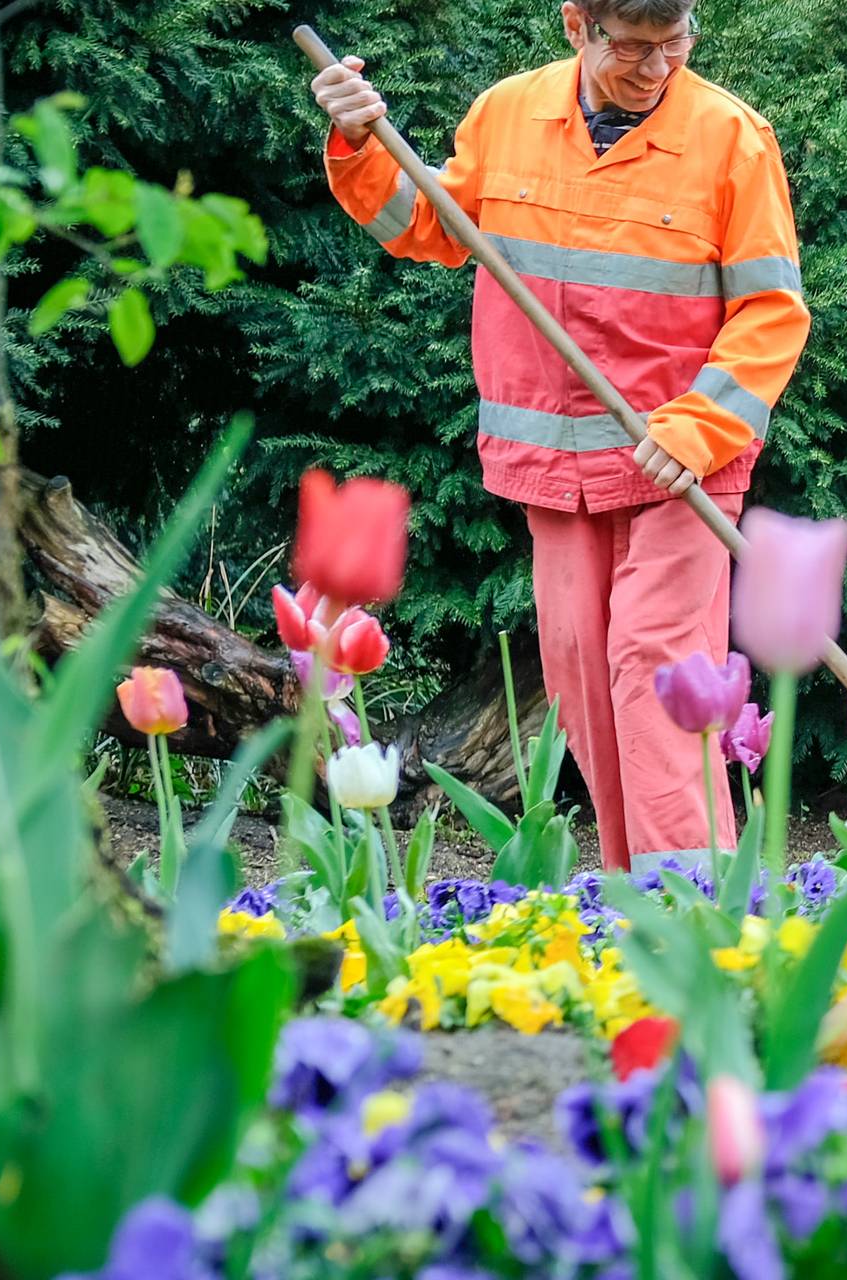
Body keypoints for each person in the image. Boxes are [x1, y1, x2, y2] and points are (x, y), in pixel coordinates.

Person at [310, 0, 809, 870]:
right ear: (575, 24)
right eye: (634, 47)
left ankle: (693, 903)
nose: (659, 68)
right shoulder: (508, 114)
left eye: (676, 42)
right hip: (558, 465)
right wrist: (361, 143)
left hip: (682, 468)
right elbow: (426, 227)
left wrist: (698, 428)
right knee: (581, 678)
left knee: (660, 676)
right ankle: (633, 899)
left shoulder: (732, 138)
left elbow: (771, 311)